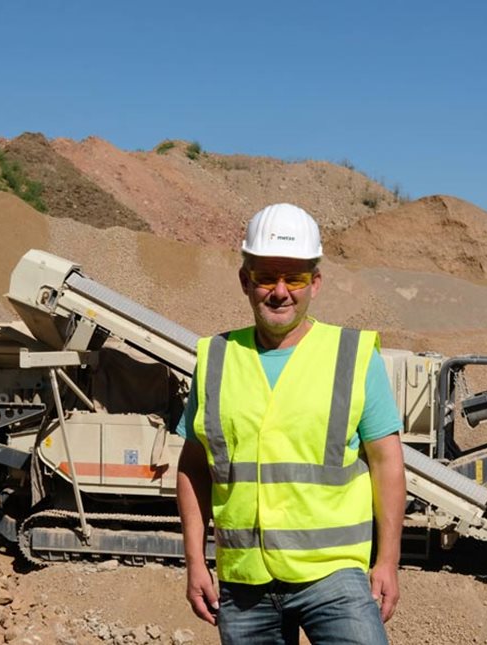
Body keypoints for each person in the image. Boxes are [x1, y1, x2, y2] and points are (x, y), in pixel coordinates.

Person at [175, 203, 406, 644]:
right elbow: (192, 466)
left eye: (295, 277)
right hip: (245, 585)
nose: (280, 291)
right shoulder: (215, 359)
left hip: (334, 578)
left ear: (314, 284)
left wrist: (388, 561)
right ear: (245, 281)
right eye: (266, 277)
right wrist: (194, 561)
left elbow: (387, 462)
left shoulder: (354, 355)